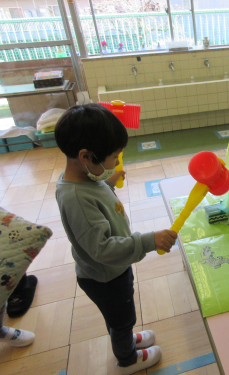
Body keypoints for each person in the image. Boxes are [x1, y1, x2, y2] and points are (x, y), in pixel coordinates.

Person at [54, 104, 177, 374]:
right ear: (86, 156)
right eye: (114, 157)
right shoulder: (77, 198)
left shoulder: (84, 179)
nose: (116, 162)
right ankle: (127, 358)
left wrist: (107, 182)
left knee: (120, 316)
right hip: (106, 277)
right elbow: (103, 248)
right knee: (121, 318)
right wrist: (148, 241)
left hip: (110, 270)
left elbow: (94, 200)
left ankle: (126, 338)